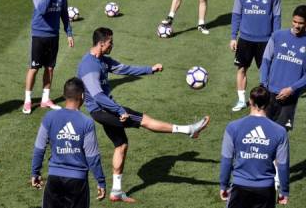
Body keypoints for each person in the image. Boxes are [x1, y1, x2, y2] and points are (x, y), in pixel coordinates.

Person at [77, 27, 210, 202]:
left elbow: (124, 69)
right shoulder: (89, 66)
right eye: (110, 42)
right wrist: (120, 110)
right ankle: (189, 130)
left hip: (103, 111)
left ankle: (116, 191)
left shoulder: (102, 60)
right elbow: (98, 96)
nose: (112, 45)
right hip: (104, 110)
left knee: (121, 145)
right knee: (145, 120)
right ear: (101, 44)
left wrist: (150, 69)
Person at [31, 77, 106, 208]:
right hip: (78, 182)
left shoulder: (49, 117)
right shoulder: (86, 122)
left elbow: (39, 148)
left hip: (54, 179)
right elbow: (92, 157)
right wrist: (100, 181)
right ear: (82, 96)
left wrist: (35, 173)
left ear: (65, 95)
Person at [219, 86, 289, 208]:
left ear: (250, 101)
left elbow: (226, 159)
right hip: (266, 190)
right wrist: (284, 191)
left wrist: (223, 185)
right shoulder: (280, 131)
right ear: (269, 103)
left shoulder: (233, 127)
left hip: (239, 188)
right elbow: (282, 164)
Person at [23, 0, 74, 114]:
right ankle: (27, 101)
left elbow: (64, 13)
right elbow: (42, 9)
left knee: (50, 68)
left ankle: (45, 99)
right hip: (39, 35)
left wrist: (69, 33)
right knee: (33, 68)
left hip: (54, 35)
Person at [230, 0, 281, 112]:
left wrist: (275, 39)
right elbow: (236, 14)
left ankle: (266, 102)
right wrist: (233, 37)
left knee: (266, 72)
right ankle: (241, 100)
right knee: (241, 69)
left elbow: (276, 17)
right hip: (245, 39)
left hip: (265, 40)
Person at [260, 5, 306, 131]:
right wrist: (264, 84)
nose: (297, 26)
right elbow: (266, 60)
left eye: (301, 23)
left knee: (280, 133)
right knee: (263, 131)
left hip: (290, 98)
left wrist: (292, 89)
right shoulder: (277, 36)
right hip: (270, 94)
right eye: (295, 21)